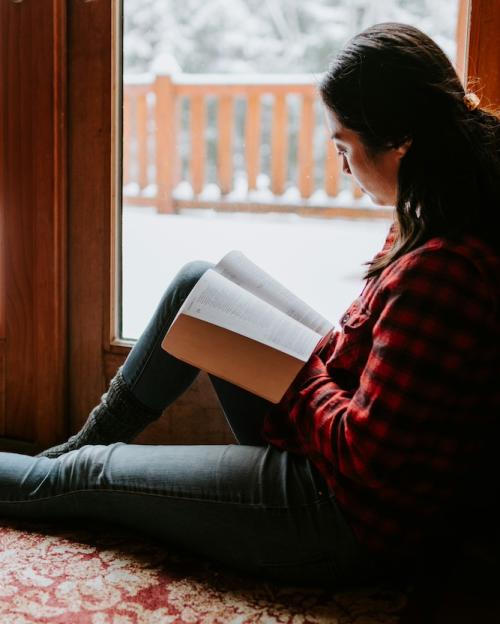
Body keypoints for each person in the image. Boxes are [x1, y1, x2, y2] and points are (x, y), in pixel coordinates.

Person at [0, 22, 499, 588]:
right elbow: (375, 374)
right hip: (330, 459)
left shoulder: (443, 272)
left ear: (402, 141)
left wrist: (299, 371)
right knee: (199, 285)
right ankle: (63, 460)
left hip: (343, 516)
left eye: (344, 147)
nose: (341, 166)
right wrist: (303, 355)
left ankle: (60, 474)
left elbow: (367, 458)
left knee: (91, 476)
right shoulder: (436, 210)